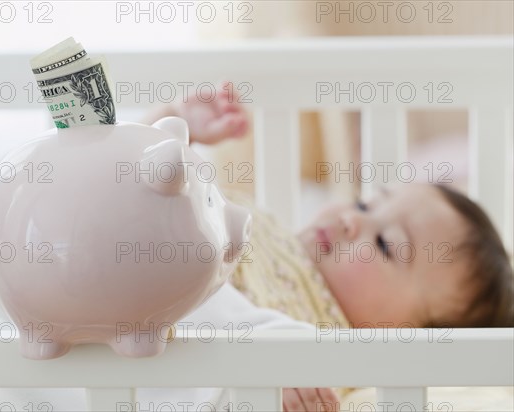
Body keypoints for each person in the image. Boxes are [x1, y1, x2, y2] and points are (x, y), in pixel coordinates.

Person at [148, 82, 514, 412]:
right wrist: (178, 125)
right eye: (364, 205)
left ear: (408, 338)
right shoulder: (274, 232)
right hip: (135, 247)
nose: (350, 220)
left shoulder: (328, 368)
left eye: (385, 244)